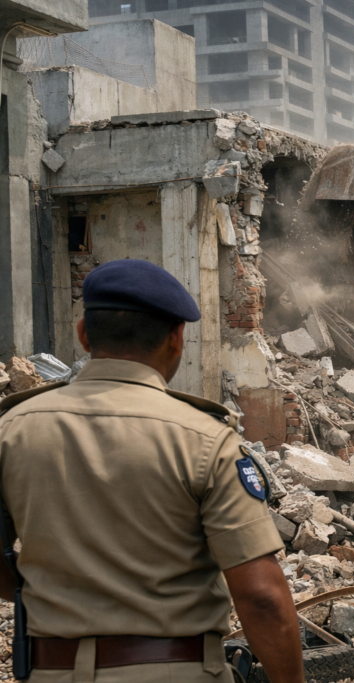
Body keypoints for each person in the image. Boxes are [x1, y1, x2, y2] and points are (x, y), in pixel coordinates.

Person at [0, 260, 303, 683]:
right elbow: (261, 597)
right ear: (177, 338)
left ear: (83, 333)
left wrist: (45, 585)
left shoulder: (12, 429)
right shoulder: (206, 439)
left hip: (51, 670)